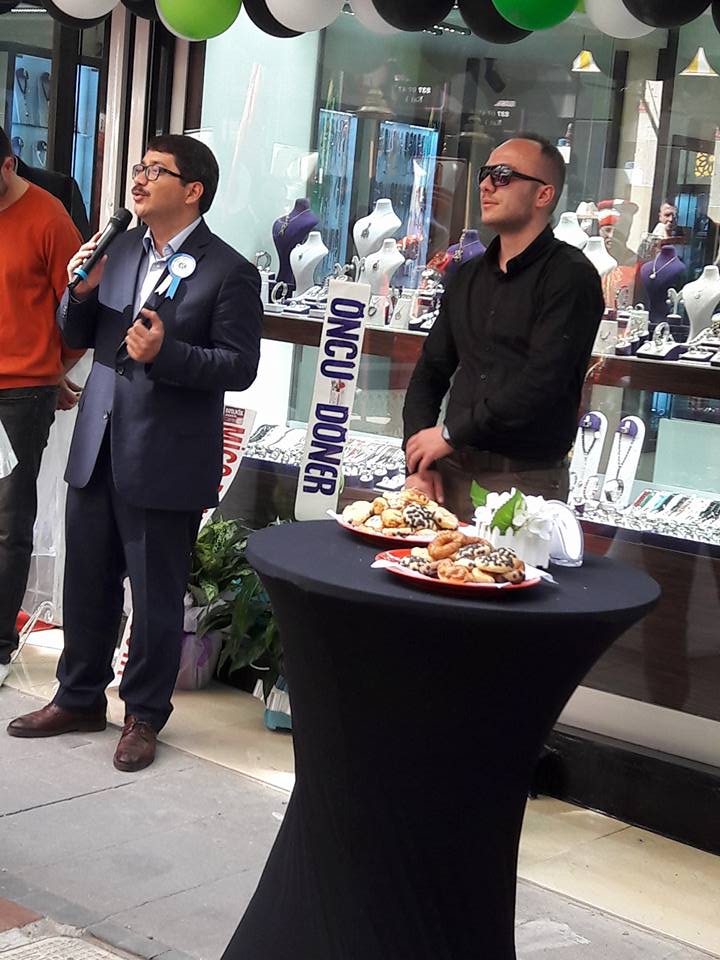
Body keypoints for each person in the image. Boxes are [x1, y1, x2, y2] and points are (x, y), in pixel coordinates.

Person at [8, 135, 263, 770]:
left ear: (193, 190)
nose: (139, 179)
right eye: (139, 167)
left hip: (166, 455)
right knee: (85, 583)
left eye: (156, 170)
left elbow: (239, 366)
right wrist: (78, 292)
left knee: (154, 597)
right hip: (97, 442)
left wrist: (167, 354)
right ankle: (78, 697)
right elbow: (77, 334)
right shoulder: (118, 248)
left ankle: (144, 715)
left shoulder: (228, 270)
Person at [402, 134, 604, 518]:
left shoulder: (571, 276)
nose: (486, 185)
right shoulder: (467, 275)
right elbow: (430, 371)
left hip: (525, 480)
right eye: (485, 173)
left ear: (543, 194)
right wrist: (417, 463)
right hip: (448, 472)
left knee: (506, 561)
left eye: (504, 175)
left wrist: (449, 433)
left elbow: (542, 383)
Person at [0, 125, 85, 690]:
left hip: (20, 391)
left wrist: (55, 368)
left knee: (8, 522)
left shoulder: (50, 217)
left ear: (9, 166)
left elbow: (79, 308)